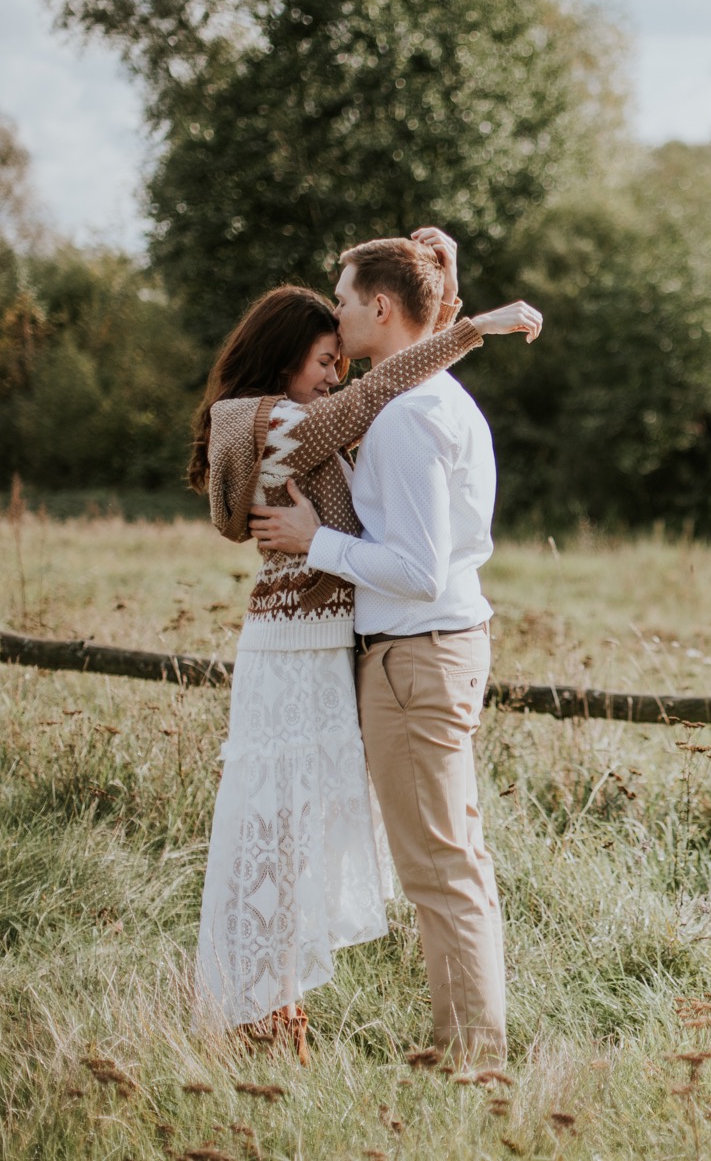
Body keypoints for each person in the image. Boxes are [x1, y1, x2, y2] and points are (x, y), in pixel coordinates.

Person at [188, 229, 540, 1062]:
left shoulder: (408, 414)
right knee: (424, 854)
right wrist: (455, 314)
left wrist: (318, 543)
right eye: (320, 346)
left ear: (379, 308)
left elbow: (413, 565)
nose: (339, 335)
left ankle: (470, 1055)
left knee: (440, 863)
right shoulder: (376, 407)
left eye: (344, 304)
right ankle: (286, 1018)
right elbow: (382, 380)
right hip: (365, 649)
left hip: (412, 648)